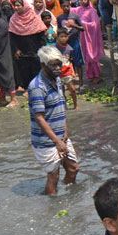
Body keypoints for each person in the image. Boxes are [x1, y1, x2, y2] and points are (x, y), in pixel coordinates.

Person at [30, 45, 78, 195]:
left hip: (61, 136)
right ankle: (51, 206)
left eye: (59, 64)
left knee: (73, 169)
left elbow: (61, 107)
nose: (58, 68)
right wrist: (57, 142)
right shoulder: (37, 87)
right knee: (53, 176)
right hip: (46, 140)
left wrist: (65, 133)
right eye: (54, 65)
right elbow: (39, 118)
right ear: (43, 65)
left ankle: (68, 198)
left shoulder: (57, 80)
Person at [8, 0, 47, 94]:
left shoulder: (35, 18)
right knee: (24, 70)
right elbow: (12, 37)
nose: (16, 8)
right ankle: (27, 88)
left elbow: (41, 35)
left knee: (36, 69)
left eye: (18, 6)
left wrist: (42, 50)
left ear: (24, 6)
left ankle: (38, 87)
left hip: (35, 49)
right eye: (15, 6)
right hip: (22, 50)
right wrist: (16, 49)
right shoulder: (13, 20)